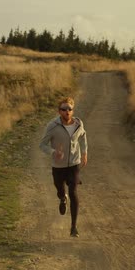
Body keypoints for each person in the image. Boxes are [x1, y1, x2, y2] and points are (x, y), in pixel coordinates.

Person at [39, 97, 88, 237]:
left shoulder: (78, 123)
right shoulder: (52, 126)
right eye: (64, 109)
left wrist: (84, 152)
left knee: (73, 192)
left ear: (73, 110)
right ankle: (62, 198)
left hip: (74, 163)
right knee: (60, 190)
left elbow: (83, 136)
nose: (67, 111)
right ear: (59, 111)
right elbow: (42, 145)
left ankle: (73, 227)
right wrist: (54, 152)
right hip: (58, 166)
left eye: (69, 109)